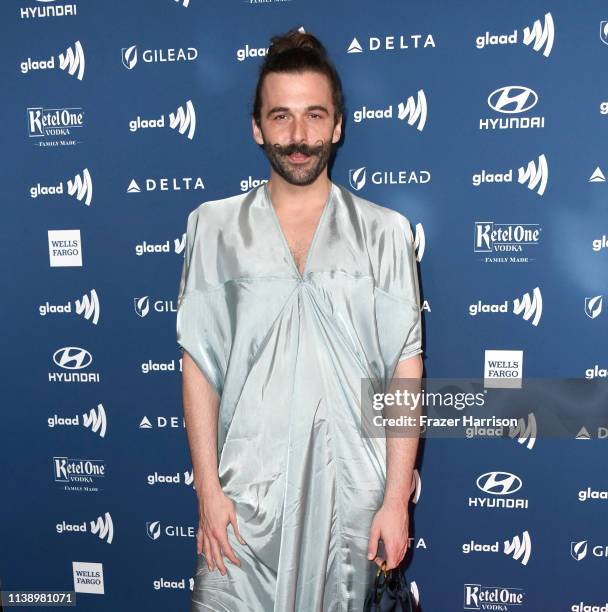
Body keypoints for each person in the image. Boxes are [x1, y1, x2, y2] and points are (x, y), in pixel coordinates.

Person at [176, 28, 423, 612]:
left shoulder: (385, 233)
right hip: (243, 506)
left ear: (337, 125)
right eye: (281, 117)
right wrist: (208, 493)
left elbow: (404, 373)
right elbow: (200, 367)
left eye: (315, 116)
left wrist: (394, 501)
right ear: (257, 127)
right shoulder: (212, 229)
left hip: (352, 503)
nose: (299, 137)